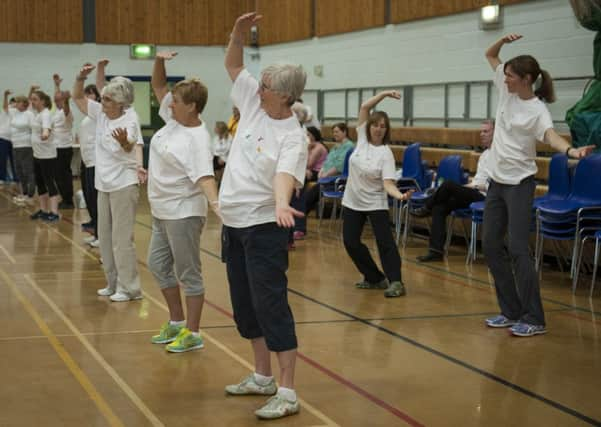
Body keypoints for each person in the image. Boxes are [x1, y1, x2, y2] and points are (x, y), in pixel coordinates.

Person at [221, 12, 307, 420]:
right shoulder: (253, 106)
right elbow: (235, 65)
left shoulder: (293, 135)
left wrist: (280, 202)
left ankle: (288, 391)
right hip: (233, 224)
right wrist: (237, 34)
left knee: (270, 304)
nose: (259, 89)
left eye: (267, 86)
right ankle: (261, 376)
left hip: (264, 227)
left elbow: (285, 173)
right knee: (245, 306)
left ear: (286, 97)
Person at [482, 34, 593, 337]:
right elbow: (490, 55)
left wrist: (571, 151)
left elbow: (550, 137)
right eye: (504, 76)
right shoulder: (505, 94)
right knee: (491, 244)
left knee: (518, 248)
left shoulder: (537, 110)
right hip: (496, 182)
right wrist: (502, 40)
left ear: (526, 80)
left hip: (519, 184)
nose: (504, 80)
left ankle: (534, 318)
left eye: (510, 77)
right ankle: (510, 311)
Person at [147, 51, 219, 352]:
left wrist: (218, 207)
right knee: (157, 264)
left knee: (188, 272)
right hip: (161, 209)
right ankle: (176, 322)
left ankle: (193, 332)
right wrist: (160, 61)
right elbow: (158, 86)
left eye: (175, 101)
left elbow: (205, 176)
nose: (168, 103)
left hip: (184, 212)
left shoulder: (197, 138)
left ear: (191, 106)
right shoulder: (174, 120)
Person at [73, 63, 145, 302]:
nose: (102, 103)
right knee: (104, 237)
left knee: (121, 239)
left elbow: (130, 147)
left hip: (124, 184)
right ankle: (112, 282)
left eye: (107, 100)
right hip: (104, 184)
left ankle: (130, 288)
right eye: (102, 99)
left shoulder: (130, 120)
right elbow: (78, 98)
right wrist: (81, 78)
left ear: (120, 104)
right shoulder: (102, 114)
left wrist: (125, 142)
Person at [342, 90, 411, 298]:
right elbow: (365, 107)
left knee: (385, 243)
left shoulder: (386, 154)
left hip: (375, 202)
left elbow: (388, 183)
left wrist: (399, 196)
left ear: (386, 130)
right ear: (369, 127)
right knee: (350, 242)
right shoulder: (361, 139)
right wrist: (384, 94)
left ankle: (396, 282)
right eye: (375, 125)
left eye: (383, 126)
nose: (379, 129)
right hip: (352, 201)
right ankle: (374, 278)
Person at [412, 120, 494, 262]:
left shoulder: (500, 155)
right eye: (481, 131)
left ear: (496, 133)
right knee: (440, 206)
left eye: (486, 131)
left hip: (487, 196)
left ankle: (426, 206)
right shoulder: (485, 155)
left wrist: (474, 186)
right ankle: (435, 251)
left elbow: (492, 185)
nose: (482, 134)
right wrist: (470, 185)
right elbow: (478, 180)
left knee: (448, 185)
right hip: (475, 192)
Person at [304, 122, 354, 216]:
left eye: (337, 132)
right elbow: (327, 161)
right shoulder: (336, 146)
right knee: (313, 192)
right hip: (327, 178)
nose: (334, 134)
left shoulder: (349, 146)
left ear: (344, 132)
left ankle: (301, 215)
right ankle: (301, 215)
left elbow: (340, 165)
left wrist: (326, 175)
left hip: (338, 179)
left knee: (313, 193)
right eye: (333, 132)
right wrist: (322, 171)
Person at [29, 87, 60, 222]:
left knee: (49, 183)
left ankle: (54, 212)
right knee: (40, 183)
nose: (32, 102)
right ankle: (43, 210)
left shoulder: (46, 114)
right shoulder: (38, 114)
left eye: (35, 100)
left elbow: (46, 128)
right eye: (32, 100)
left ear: (42, 101)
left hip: (47, 155)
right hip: (37, 154)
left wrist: (45, 133)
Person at [78, 84, 101, 247]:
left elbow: (100, 84)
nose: (86, 97)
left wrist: (100, 69)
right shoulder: (87, 115)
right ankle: (96, 232)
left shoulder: (98, 112)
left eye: (90, 94)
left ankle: (101, 236)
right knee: (89, 198)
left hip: (96, 161)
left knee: (96, 199)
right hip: (86, 160)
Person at [3, 91, 34, 204]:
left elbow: (32, 127)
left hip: (25, 145)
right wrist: (5, 96)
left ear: (24, 103)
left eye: (18, 102)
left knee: (28, 170)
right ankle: (24, 193)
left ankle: (30, 195)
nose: (15, 104)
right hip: (15, 145)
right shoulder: (14, 113)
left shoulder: (29, 114)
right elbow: (5, 108)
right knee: (19, 171)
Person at [52, 74, 75, 209]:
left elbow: (65, 107)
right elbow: (58, 97)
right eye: (55, 100)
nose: (56, 101)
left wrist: (66, 100)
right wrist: (57, 85)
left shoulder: (67, 112)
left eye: (59, 100)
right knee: (58, 175)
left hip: (64, 148)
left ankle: (68, 200)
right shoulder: (57, 112)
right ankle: (65, 198)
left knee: (63, 175)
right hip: (57, 148)